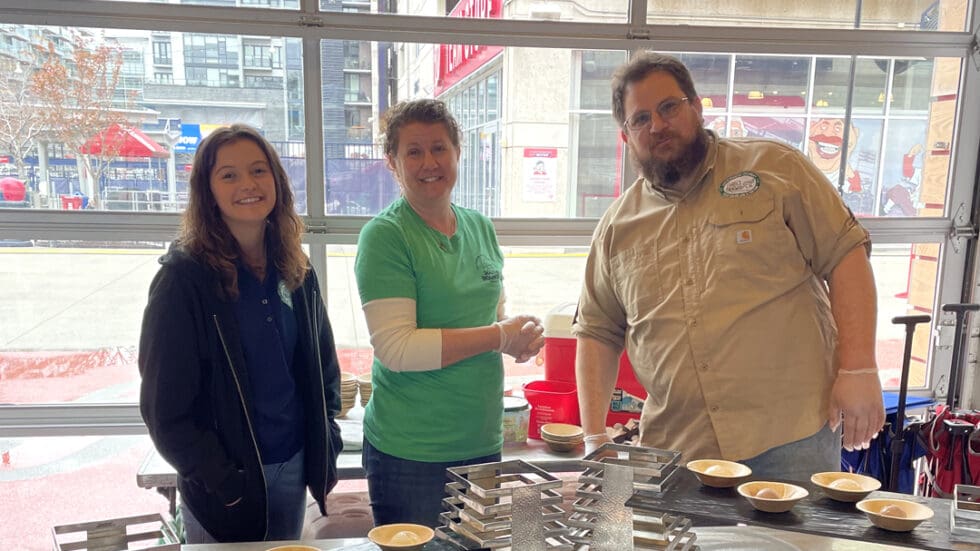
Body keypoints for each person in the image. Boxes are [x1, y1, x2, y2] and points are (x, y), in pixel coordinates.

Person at [574, 52, 884, 481]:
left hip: (790, 439)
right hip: (678, 452)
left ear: (697, 107)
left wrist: (859, 369)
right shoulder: (617, 228)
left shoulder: (774, 168)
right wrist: (594, 437)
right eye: (640, 118)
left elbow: (845, 254)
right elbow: (596, 331)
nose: (657, 125)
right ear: (626, 137)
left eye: (669, 107)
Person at [138, 124, 343, 543]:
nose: (247, 184)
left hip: (293, 467)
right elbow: (164, 411)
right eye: (228, 175)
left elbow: (323, 367)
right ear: (207, 190)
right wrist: (223, 482)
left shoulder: (296, 268)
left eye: (258, 170)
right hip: (227, 486)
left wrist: (327, 443)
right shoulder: (183, 281)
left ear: (277, 181)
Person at [354, 99, 544, 527]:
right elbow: (397, 349)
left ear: (458, 152)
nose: (429, 163)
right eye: (413, 152)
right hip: (412, 454)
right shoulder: (386, 236)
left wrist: (520, 341)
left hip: (480, 440)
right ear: (393, 163)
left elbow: (492, 313)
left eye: (439, 148)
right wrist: (499, 336)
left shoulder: (479, 226)